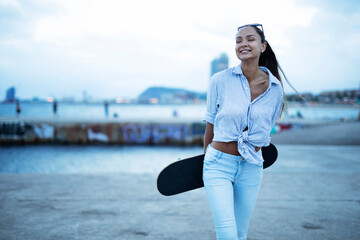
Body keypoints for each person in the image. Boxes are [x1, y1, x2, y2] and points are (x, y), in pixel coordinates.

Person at [203, 24, 285, 240]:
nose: (243, 44)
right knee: (227, 232)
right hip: (218, 164)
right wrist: (204, 159)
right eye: (238, 40)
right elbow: (210, 123)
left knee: (240, 233)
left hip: (251, 167)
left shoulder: (275, 89)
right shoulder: (219, 81)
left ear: (263, 46)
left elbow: (266, 129)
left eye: (250, 39)